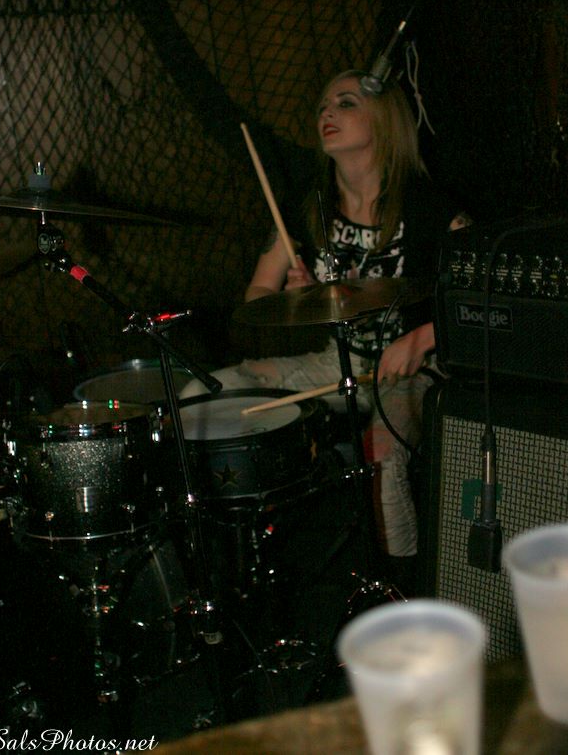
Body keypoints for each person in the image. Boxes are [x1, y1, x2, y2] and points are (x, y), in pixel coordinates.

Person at [182, 69, 469, 586]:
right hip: (337, 365)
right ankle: (222, 564)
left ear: (384, 120)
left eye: (346, 102)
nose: (327, 113)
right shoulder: (309, 207)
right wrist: (297, 301)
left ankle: (402, 591)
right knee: (207, 395)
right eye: (322, 106)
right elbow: (257, 295)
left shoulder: (428, 206)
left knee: (380, 453)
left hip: (414, 370)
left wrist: (423, 336)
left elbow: (484, 295)